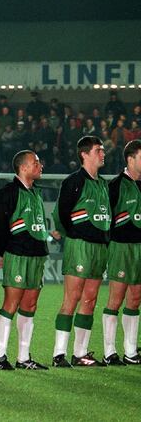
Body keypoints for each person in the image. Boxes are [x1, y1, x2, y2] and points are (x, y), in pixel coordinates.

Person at [0, 150, 55, 371]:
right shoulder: (8, 192)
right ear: (24, 167)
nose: (40, 166)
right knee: (11, 304)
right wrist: (1, 251)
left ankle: (24, 357)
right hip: (17, 254)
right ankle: (1, 357)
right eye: (36, 162)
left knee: (30, 306)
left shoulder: (36, 193)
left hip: (37, 255)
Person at [51, 135, 110, 367]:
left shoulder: (103, 184)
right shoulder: (74, 181)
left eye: (102, 150)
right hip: (80, 247)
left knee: (90, 299)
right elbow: (61, 214)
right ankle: (58, 354)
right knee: (72, 298)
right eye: (98, 150)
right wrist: (72, 236)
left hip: (99, 249)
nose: (102, 153)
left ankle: (80, 353)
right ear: (84, 154)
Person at [101, 140, 141, 365]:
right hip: (120, 246)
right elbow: (107, 219)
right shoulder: (115, 186)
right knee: (115, 299)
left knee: (135, 298)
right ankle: (109, 351)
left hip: (140, 248)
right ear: (130, 159)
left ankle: (131, 351)